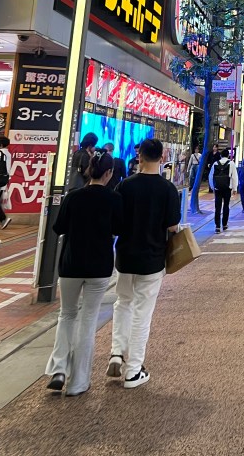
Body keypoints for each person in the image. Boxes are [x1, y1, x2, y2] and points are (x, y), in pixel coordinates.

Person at [45, 151, 124, 395]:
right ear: (109, 173)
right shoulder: (114, 198)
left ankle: (59, 369)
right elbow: (119, 229)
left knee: (67, 315)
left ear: (90, 170)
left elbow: (59, 228)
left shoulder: (73, 196)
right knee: (88, 320)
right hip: (99, 266)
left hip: (71, 264)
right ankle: (78, 382)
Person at [107, 137, 181, 389]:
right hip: (152, 258)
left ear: (139, 157)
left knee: (123, 303)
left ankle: (117, 352)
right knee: (142, 313)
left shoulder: (124, 186)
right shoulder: (167, 189)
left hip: (125, 256)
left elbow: (115, 225)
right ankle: (133, 370)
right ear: (162, 158)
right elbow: (173, 226)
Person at [209, 148, 237, 232]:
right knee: (226, 205)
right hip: (227, 188)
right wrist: (234, 188)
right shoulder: (231, 163)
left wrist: (213, 187)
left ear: (220, 155)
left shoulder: (215, 163)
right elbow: (234, 177)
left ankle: (217, 226)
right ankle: (224, 224)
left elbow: (211, 176)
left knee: (217, 207)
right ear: (228, 155)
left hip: (217, 188)